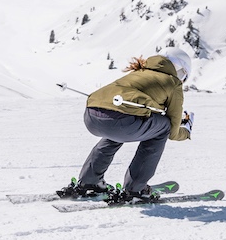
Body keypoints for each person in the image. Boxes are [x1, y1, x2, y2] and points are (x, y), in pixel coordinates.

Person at [59, 48, 194, 202]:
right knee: (162, 127)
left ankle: (89, 182)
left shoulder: (139, 72)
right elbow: (172, 131)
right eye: (183, 75)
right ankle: (135, 189)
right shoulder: (173, 82)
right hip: (123, 120)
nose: (181, 79)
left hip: (92, 116)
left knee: (116, 131)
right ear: (179, 69)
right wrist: (187, 131)